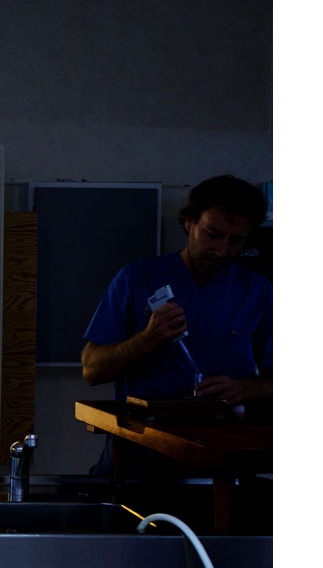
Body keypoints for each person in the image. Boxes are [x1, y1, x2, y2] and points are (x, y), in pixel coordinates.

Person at [81, 174, 272, 473]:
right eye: (212, 234)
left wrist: (245, 388)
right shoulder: (136, 280)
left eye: (235, 241)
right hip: (141, 453)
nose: (221, 251)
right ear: (189, 223)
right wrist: (147, 340)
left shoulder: (258, 292)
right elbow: (92, 370)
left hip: (224, 457)